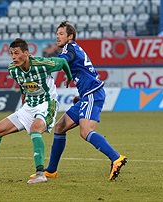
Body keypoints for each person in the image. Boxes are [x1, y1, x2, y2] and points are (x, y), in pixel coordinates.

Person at [0, 38, 72, 184]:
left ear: (27, 53)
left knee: (35, 129)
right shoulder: (13, 69)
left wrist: (69, 77)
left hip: (47, 104)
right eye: (11, 53)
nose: (13, 57)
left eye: (17, 53)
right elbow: (23, 84)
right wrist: (23, 95)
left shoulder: (42, 64)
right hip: (29, 106)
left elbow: (63, 62)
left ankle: (40, 174)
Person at [31, 21, 127, 181]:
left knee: (86, 131)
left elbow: (59, 63)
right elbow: (68, 65)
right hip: (86, 96)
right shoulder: (74, 48)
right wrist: (70, 77)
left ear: (70, 36)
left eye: (61, 34)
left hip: (92, 94)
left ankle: (116, 158)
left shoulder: (70, 47)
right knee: (60, 127)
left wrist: (36, 61)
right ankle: (51, 171)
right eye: (57, 33)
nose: (57, 36)